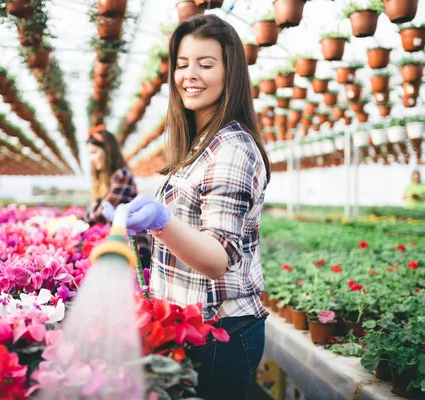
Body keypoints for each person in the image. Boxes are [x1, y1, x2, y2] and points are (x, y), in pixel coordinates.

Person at [103, 15, 271, 400]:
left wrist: (161, 222)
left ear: (231, 74)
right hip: (197, 327)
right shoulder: (200, 145)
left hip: (221, 334)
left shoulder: (232, 150)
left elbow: (216, 258)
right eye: (182, 64)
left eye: (206, 64)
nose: (189, 75)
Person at [84, 125, 151, 268]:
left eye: (94, 152)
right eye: (89, 154)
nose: (91, 159)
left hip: (134, 245)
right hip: (120, 242)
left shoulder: (122, 176)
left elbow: (101, 213)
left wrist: (84, 219)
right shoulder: (108, 180)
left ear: (108, 152)